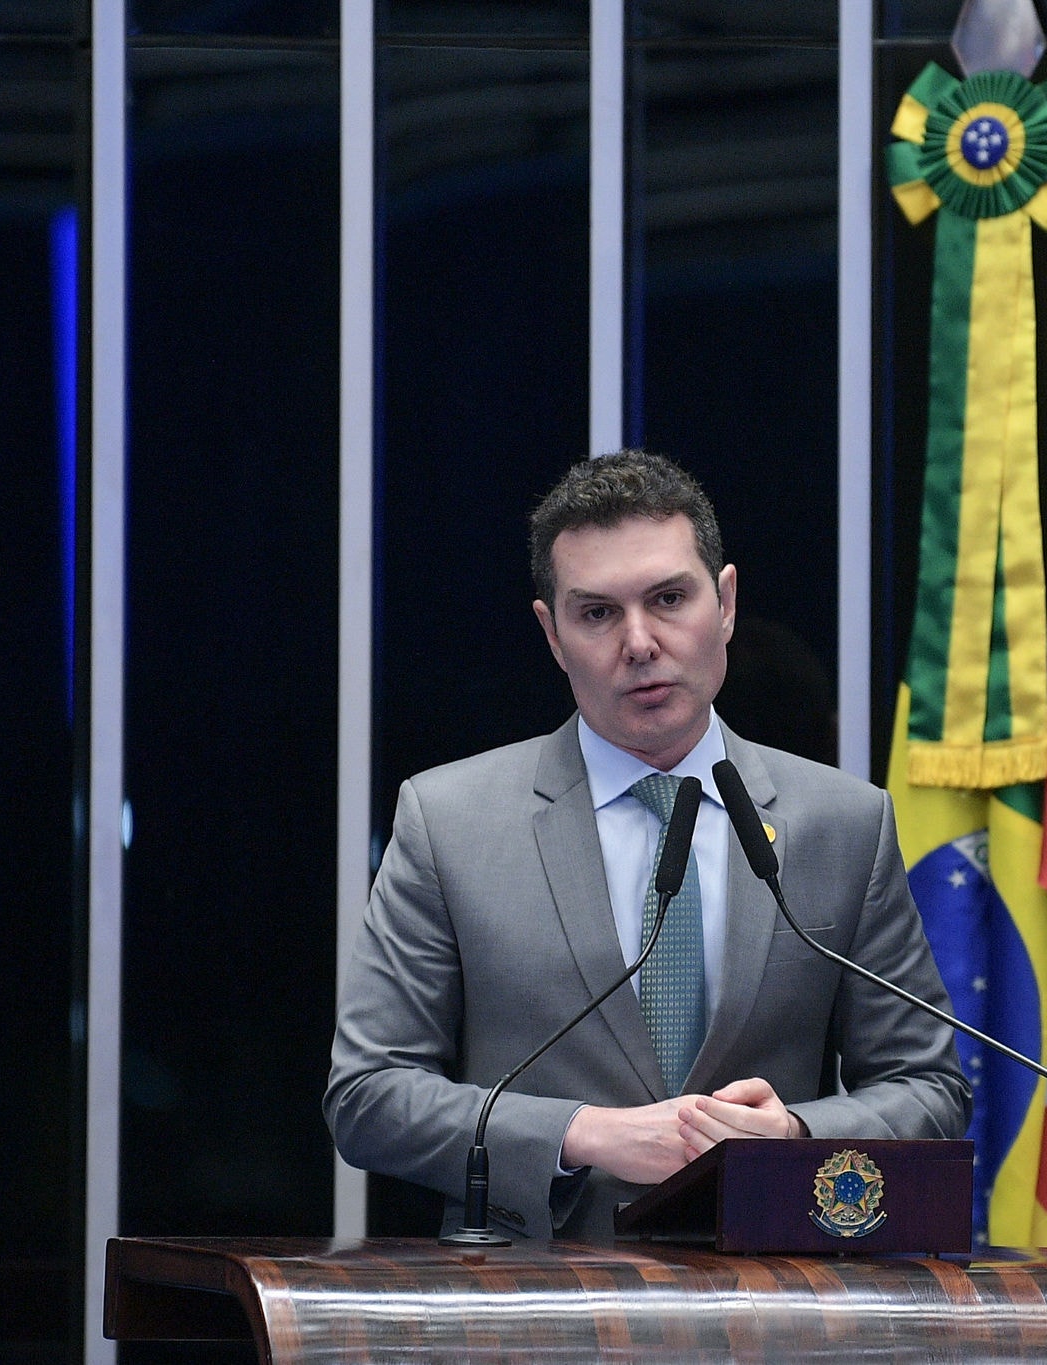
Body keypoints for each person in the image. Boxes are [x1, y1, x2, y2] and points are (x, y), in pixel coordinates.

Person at [326, 451, 969, 1241]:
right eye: (596, 612)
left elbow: (930, 1085)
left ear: (725, 603)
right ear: (551, 633)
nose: (639, 641)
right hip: (530, 1312)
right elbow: (366, 1095)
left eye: (669, 598)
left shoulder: (843, 822)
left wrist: (795, 1134)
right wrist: (581, 1132)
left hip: (771, 1300)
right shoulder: (449, 820)